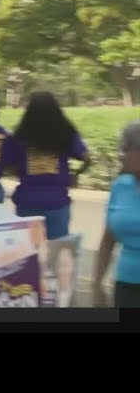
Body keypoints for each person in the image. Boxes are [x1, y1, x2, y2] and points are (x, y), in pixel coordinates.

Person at [5, 92, 91, 239]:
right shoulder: (66, 134)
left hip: (27, 202)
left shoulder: (20, 136)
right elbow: (87, 158)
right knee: (56, 254)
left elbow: (9, 167)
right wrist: (74, 175)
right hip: (57, 202)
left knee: (31, 256)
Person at [93, 120, 140, 307]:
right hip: (125, 285)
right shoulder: (120, 186)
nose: (121, 156)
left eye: (125, 149)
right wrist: (97, 284)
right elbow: (107, 240)